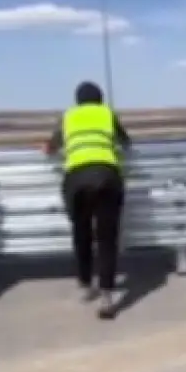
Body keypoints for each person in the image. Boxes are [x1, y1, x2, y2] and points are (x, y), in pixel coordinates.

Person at [44, 81, 131, 319]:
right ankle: (107, 297)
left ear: (78, 100)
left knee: (81, 233)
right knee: (107, 238)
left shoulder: (68, 117)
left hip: (76, 180)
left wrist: (50, 149)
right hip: (107, 176)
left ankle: (85, 284)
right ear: (100, 99)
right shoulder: (107, 114)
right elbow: (126, 143)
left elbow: (50, 147)